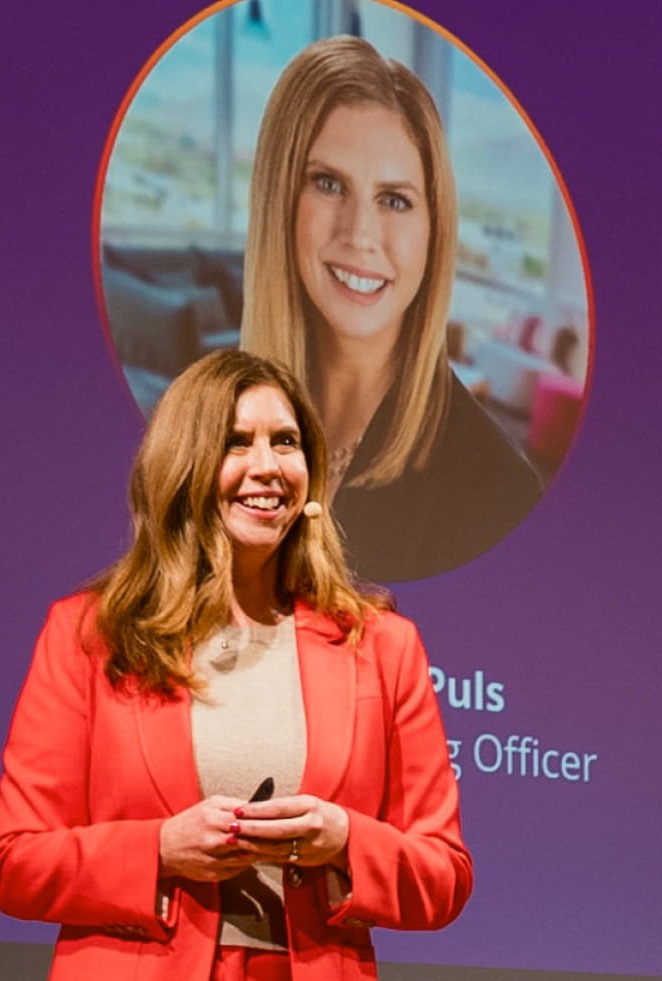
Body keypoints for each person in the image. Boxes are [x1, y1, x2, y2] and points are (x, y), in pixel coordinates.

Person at [0, 349, 472, 981]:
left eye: (287, 443)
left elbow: (443, 873)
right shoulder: (89, 634)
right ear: (184, 463)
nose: (267, 466)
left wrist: (345, 841)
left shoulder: (380, 647)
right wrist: (160, 851)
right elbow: (15, 860)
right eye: (238, 441)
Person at [242, 35, 542, 584]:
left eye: (395, 199)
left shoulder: (497, 490)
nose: (359, 234)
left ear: (434, 229)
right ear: (279, 201)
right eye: (328, 184)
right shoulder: (209, 429)